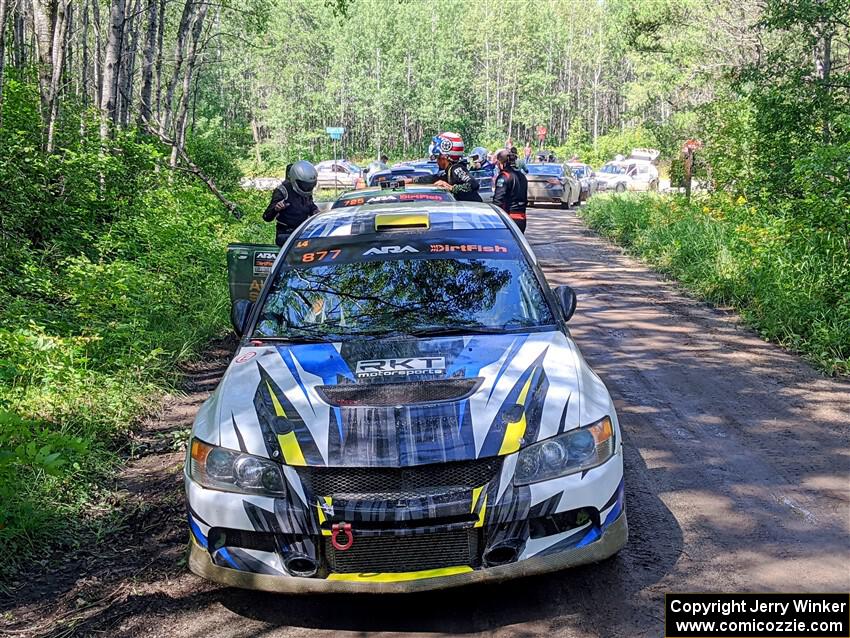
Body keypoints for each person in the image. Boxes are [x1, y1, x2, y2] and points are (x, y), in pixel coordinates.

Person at [413, 132, 482, 202]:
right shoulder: (449, 172)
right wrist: (410, 181)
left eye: (438, 157)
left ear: (444, 157)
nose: (437, 161)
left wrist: (451, 188)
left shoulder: (456, 169)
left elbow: (473, 184)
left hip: (473, 208)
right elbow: (433, 178)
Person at [263, 160, 319, 247]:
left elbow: (310, 205)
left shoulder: (306, 193)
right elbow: (267, 217)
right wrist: (276, 208)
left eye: (310, 185)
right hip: (286, 233)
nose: (307, 188)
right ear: (295, 180)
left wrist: (315, 211)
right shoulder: (282, 191)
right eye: (304, 185)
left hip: (302, 231)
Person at [492, 148, 528, 233]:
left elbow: (498, 200)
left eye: (498, 163)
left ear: (501, 163)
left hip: (509, 218)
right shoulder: (522, 176)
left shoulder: (504, 176)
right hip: (522, 217)